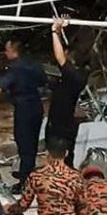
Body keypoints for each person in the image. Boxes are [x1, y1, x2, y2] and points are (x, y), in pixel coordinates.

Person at [0, 39, 47, 193]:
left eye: (7, 50)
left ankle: (25, 183)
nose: (5, 53)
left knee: (25, 145)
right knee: (30, 143)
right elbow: (44, 81)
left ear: (13, 50)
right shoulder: (34, 63)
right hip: (36, 106)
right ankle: (26, 172)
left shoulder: (15, 68)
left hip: (24, 109)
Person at [5, 138, 83, 215]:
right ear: (66, 153)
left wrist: (8, 209)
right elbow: (81, 204)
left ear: (47, 153)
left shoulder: (37, 176)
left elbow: (23, 205)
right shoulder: (76, 177)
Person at [46, 16, 88, 167]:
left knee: (59, 155)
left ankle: (59, 178)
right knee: (63, 153)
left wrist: (54, 32)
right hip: (62, 119)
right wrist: (59, 30)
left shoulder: (74, 76)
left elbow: (59, 57)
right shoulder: (75, 75)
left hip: (61, 123)